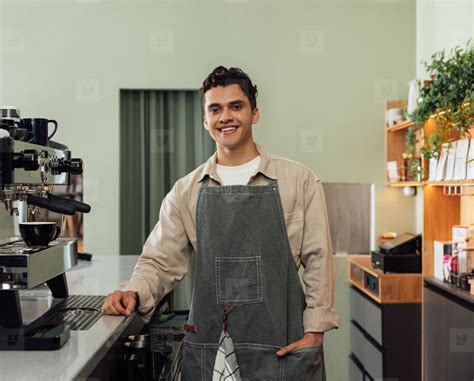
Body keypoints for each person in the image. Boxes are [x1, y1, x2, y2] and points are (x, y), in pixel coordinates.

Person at [103, 66, 339, 380]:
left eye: (235, 106)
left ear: (255, 113)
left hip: (283, 345)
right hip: (212, 350)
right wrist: (133, 292)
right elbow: (160, 261)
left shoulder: (299, 180)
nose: (225, 116)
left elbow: (318, 259)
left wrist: (315, 332)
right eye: (215, 109)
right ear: (205, 120)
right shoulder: (186, 191)